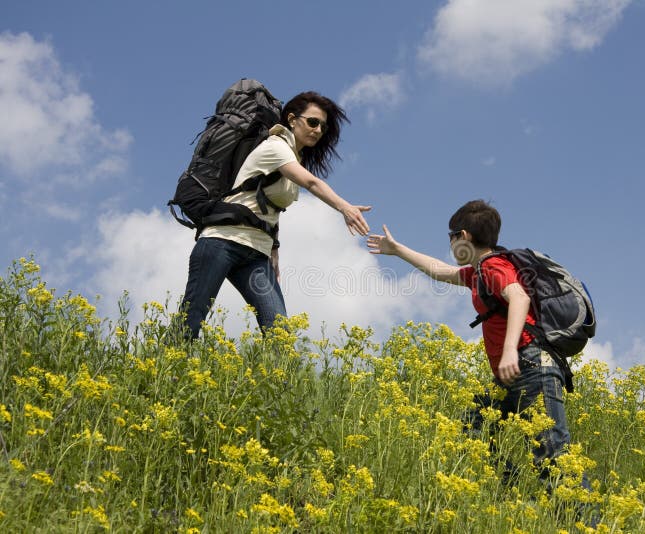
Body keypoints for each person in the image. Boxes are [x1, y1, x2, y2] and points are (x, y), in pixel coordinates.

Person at [367, 199, 582, 489]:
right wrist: (397, 250)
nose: (450, 244)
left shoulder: (494, 266)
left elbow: (519, 297)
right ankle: (514, 491)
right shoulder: (480, 271)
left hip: (530, 366)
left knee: (553, 458)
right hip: (514, 373)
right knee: (471, 425)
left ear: (464, 236)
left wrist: (509, 352)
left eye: (451, 236)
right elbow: (441, 271)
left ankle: (584, 521)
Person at [180, 91, 371, 339]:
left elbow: (271, 207)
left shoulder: (294, 157)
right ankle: (166, 374)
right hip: (221, 241)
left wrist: (274, 250)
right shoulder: (276, 146)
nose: (317, 130)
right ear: (292, 119)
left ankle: (280, 379)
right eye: (313, 122)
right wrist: (344, 207)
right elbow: (312, 183)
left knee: (279, 333)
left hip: (255, 253)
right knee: (191, 320)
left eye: (322, 126)